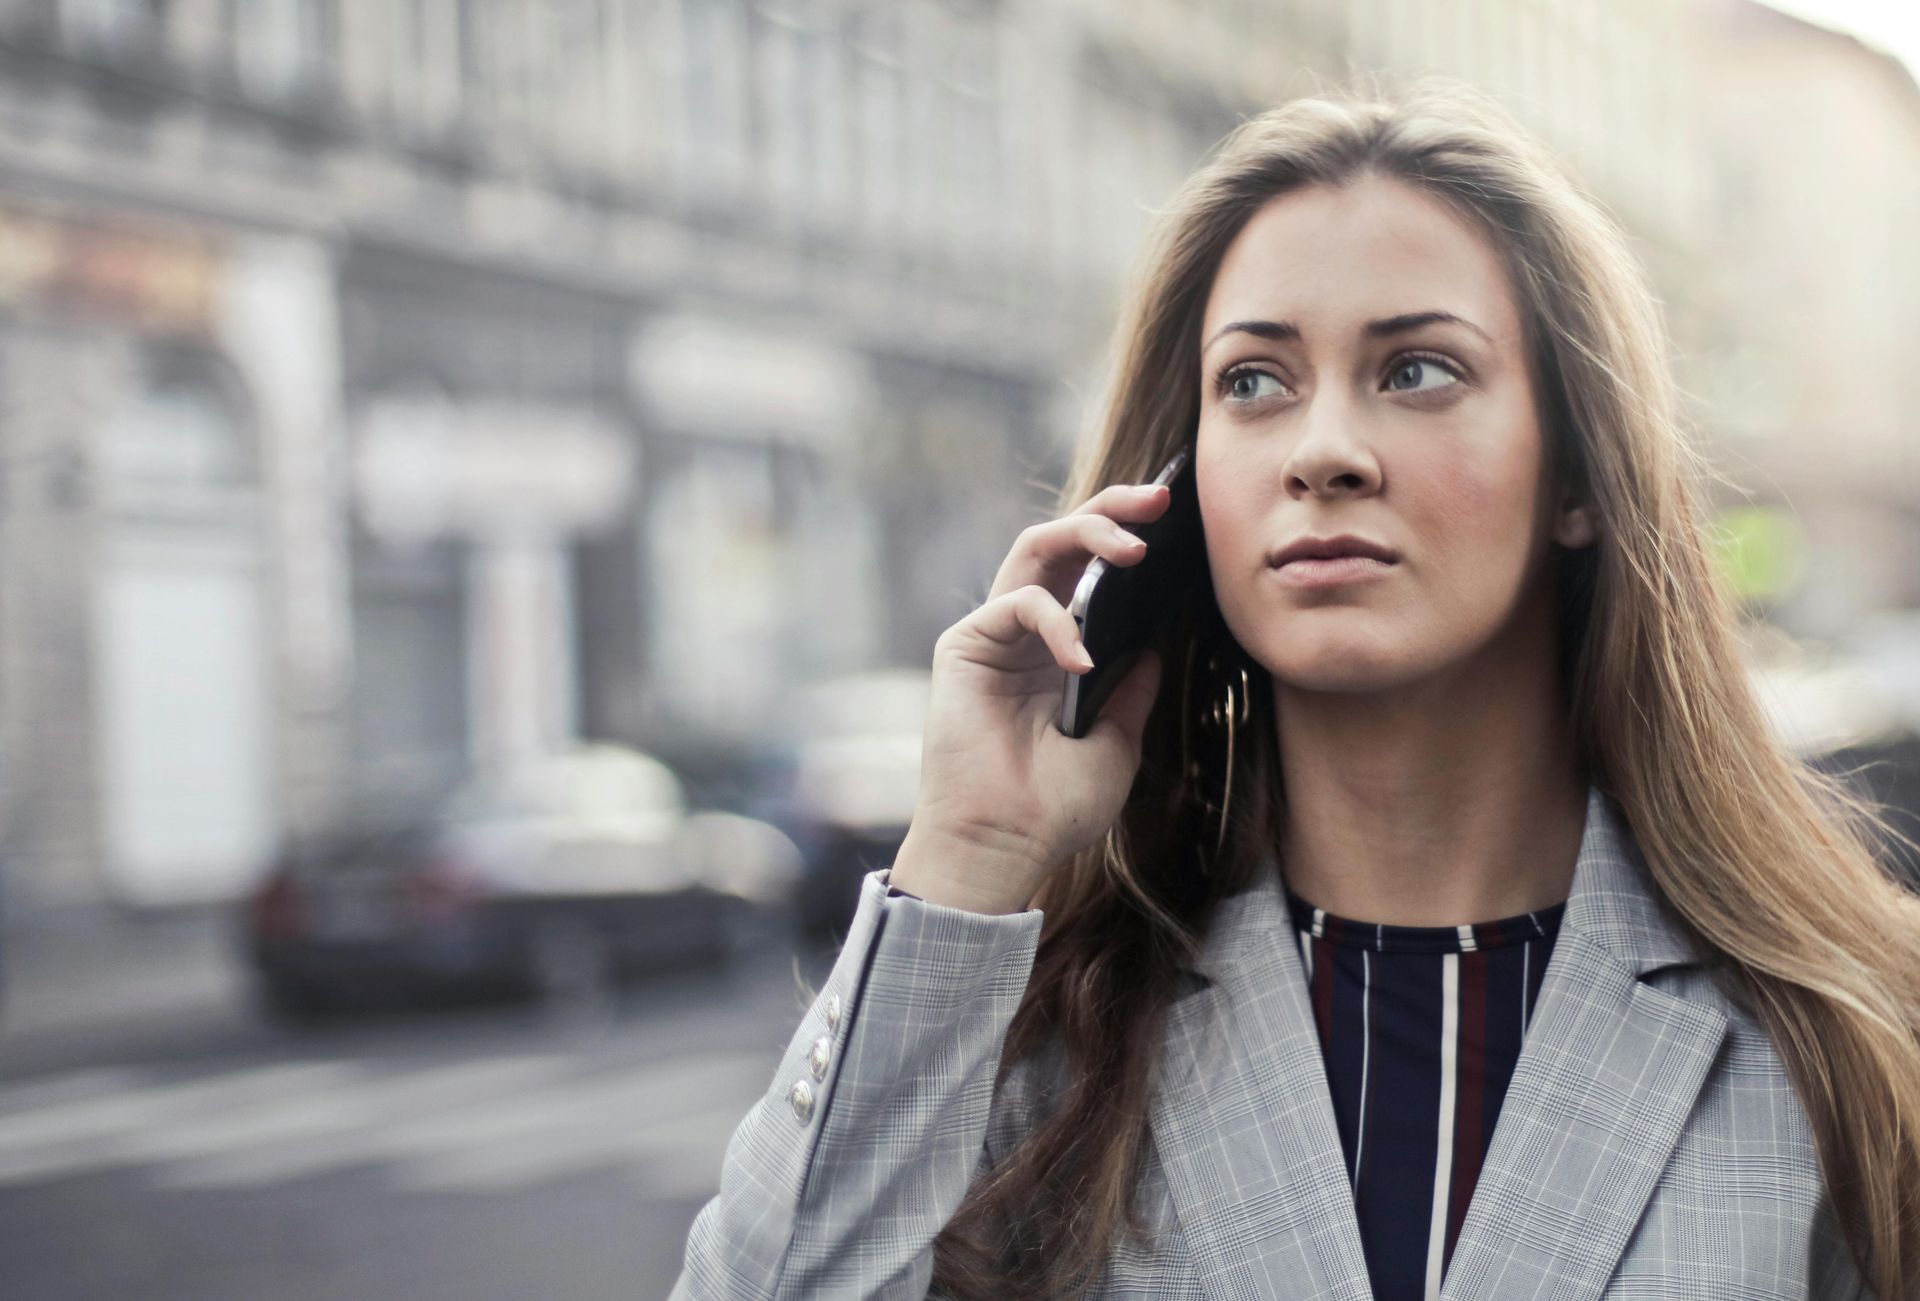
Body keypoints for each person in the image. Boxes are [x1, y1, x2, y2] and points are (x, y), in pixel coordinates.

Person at [672, 77, 1920, 1301]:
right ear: (1181, 493)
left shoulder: (1837, 1039)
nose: (1322, 450)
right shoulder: (1042, 1047)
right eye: (1254, 383)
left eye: (1419, 369)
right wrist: (966, 851)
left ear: (1580, 477)